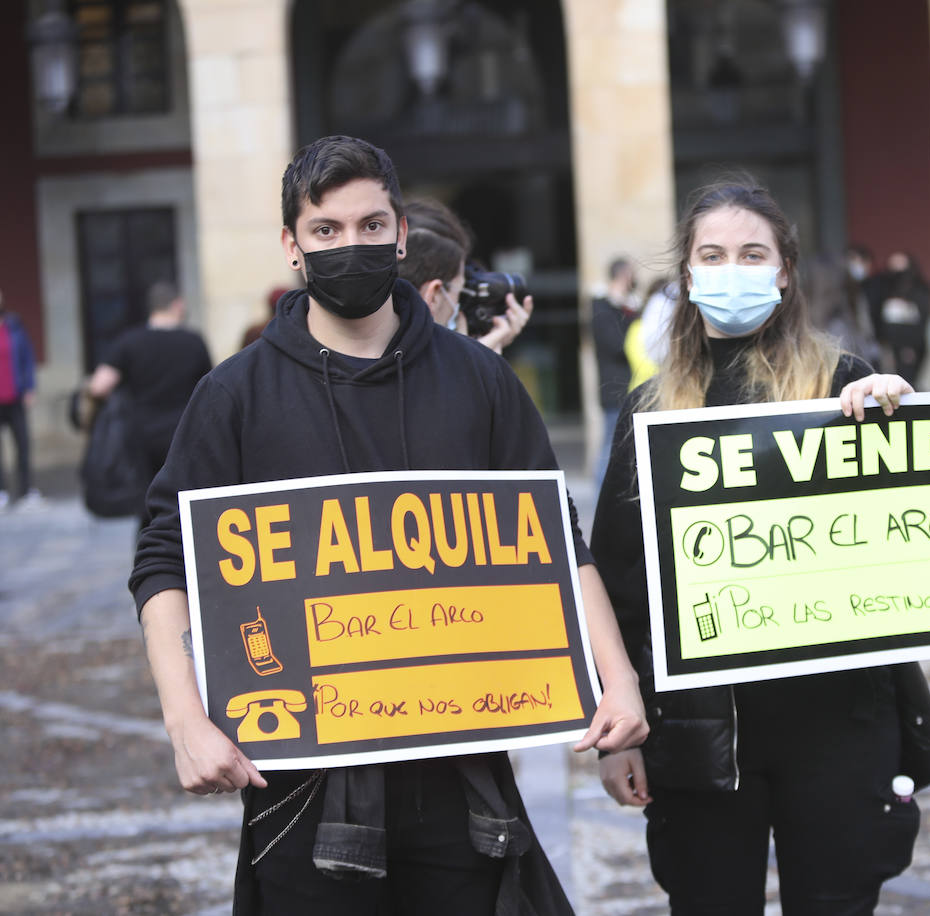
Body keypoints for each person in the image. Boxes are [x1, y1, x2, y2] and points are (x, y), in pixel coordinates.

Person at [128, 135, 647, 914]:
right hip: (302, 790)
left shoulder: (481, 380)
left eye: (371, 227)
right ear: (292, 247)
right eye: (326, 231)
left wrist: (620, 680)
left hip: (464, 778)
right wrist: (184, 721)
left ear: (401, 234)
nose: (351, 245)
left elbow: (555, 540)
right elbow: (165, 559)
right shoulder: (233, 396)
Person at [591, 178, 930, 915]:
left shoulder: (843, 383)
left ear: (784, 270)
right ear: (689, 276)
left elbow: (914, 539)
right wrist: (617, 734)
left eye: (752, 253)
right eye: (714, 255)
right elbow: (620, 582)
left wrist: (897, 427)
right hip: (700, 731)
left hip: (837, 723)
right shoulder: (650, 411)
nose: (733, 270)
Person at [87, 281, 212, 527]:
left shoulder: (130, 341)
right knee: (185, 500)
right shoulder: (193, 341)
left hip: (141, 436)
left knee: (148, 502)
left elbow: (99, 386)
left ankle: (151, 554)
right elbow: (210, 388)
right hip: (183, 434)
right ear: (177, 305)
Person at [398, 197, 531, 351]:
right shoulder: (462, 368)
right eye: (461, 291)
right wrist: (475, 364)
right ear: (433, 295)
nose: (461, 304)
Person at [590, 256, 640, 487]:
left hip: (631, 385)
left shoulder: (628, 306)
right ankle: (601, 497)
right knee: (609, 448)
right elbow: (618, 344)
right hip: (614, 389)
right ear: (622, 276)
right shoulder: (602, 307)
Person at [0, 289, 39, 510]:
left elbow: (27, 356)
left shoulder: (13, 325)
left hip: (15, 394)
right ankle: (1, 492)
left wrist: (30, 388)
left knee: (23, 445)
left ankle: (25, 490)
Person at [878, 251, 930, 387]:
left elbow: (921, 322)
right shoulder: (885, 290)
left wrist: (911, 347)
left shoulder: (919, 291)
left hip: (910, 347)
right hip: (890, 347)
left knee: (908, 382)